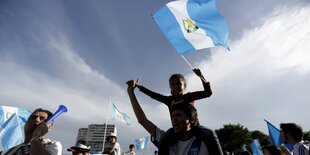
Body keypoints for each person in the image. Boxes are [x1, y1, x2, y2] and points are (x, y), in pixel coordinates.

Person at [127, 80, 223, 155]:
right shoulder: (165, 138)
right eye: (172, 116)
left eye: (178, 115)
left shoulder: (206, 139)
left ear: (191, 119)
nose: (174, 119)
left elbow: (207, 92)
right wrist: (130, 92)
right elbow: (142, 120)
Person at [135, 68, 212, 116]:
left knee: (208, 133)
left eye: (178, 83)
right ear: (170, 87)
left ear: (184, 86)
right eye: (173, 84)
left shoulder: (189, 96)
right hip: (177, 130)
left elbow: (208, 93)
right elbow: (152, 94)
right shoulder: (169, 100)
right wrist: (138, 86)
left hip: (195, 129)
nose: (176, 87)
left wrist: (201, 76)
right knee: (165, 139)